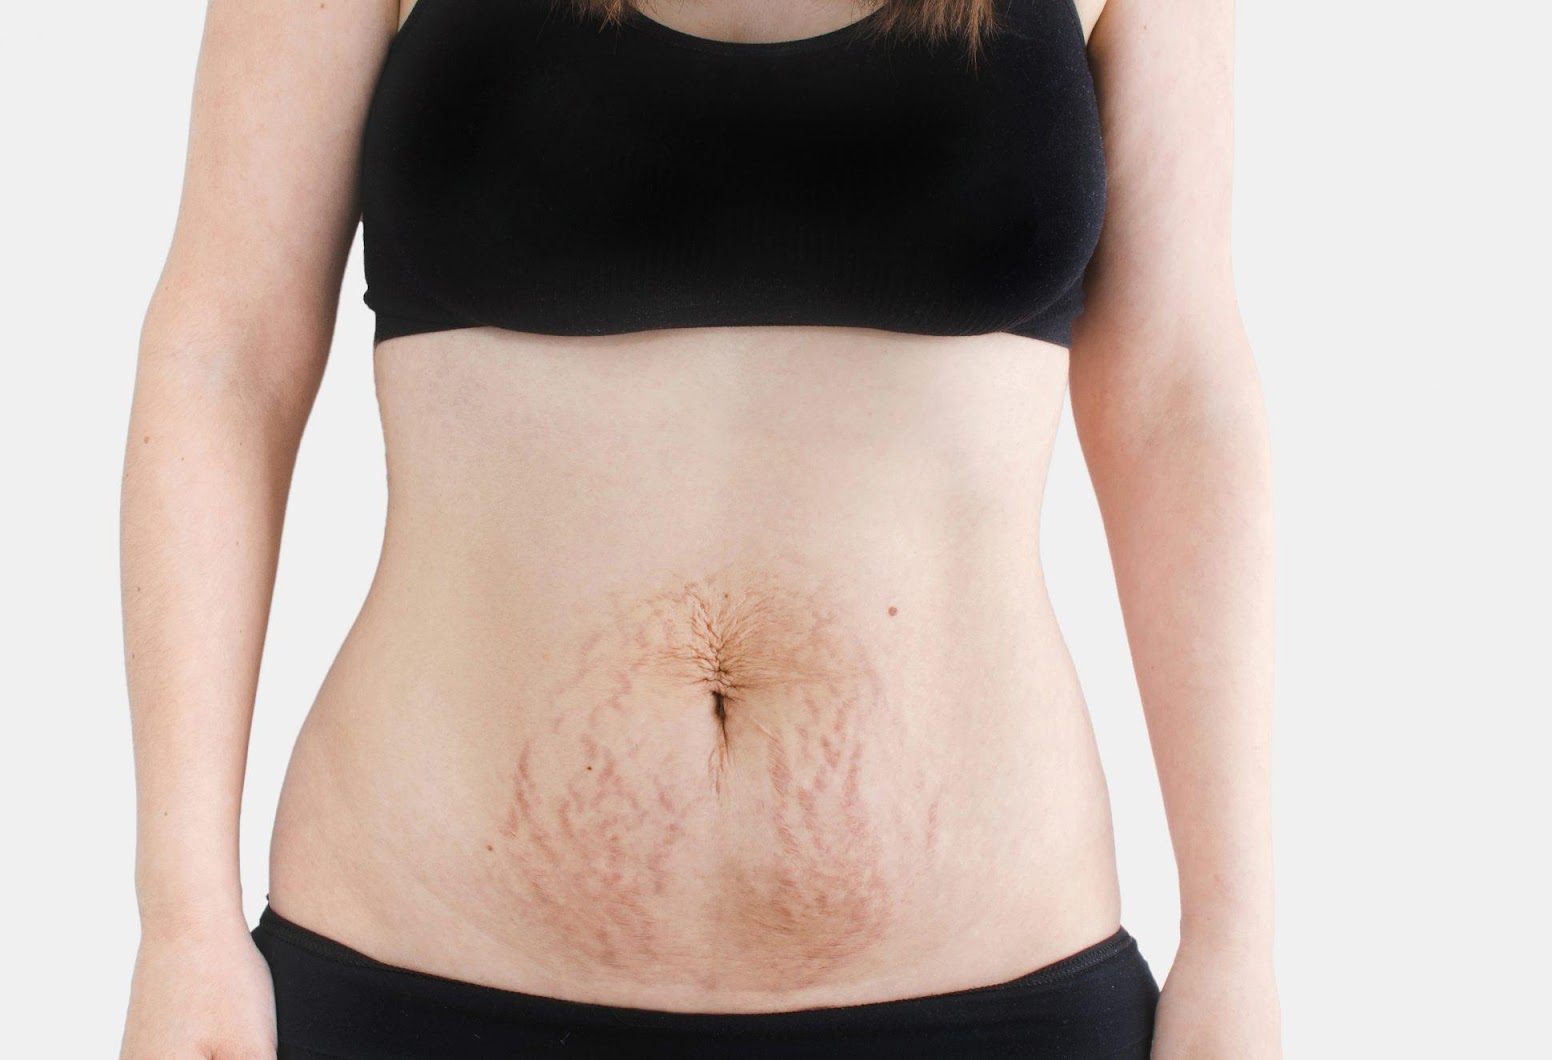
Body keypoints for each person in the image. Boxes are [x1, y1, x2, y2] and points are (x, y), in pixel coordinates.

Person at [118, 0, 1279, 1056]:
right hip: (418, 965)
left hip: (993, 983)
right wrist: (182, 918)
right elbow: (225, 361)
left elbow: (1179, 400)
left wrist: (1235, 938)